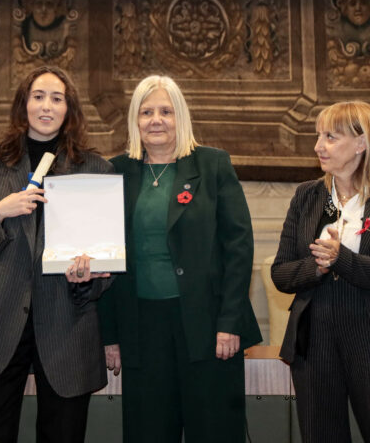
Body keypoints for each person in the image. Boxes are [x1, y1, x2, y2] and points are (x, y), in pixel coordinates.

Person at [0, 65, 114, 443]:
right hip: (0, 324)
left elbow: (108, 263)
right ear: (24, 104)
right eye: (38, 97)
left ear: (69, 109)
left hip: (67, 324)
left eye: (57, 99)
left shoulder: (95, 169)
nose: (46, 106)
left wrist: (89, 277)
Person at [99, 75, 261, 442]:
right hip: (141, 330)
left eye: (166, 111)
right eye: (146, 112)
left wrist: (230, 322)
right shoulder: (115, 172)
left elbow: (239, 247)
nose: (156, 120)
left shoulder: (212, 164)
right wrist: (110, 335)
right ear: (135, 120)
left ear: (180, 117)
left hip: (209, 327)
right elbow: (106, 257)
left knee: (215, 432)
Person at [271, 101, 370, 442]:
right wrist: (317, 266)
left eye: (330, 137)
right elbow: (281, 273)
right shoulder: (308, 196)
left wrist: (341, 259)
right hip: (315, 341)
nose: (318, 146)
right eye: (318, 136)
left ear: (361, 143)